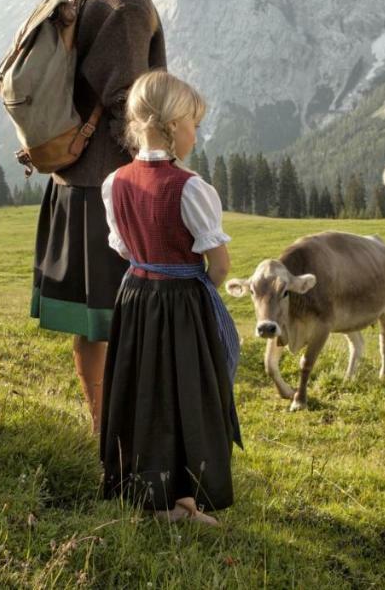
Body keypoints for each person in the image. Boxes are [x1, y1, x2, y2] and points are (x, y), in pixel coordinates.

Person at [31, 0, 200, 432]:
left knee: (98, 320)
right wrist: (161, 177)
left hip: (76, 180)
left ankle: (107, 424)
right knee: (114, 317)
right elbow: (132, 106)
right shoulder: (127, 6)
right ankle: (113, 430)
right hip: (108, 185)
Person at [99, 70, 240, 526]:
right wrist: (198, 296)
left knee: (144, 391)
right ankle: (183, 500)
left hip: (136, 297)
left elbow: (122, 246)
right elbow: (219, 265)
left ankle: (153, 494)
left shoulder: (115, 181)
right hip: (180, 302)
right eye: (195, 124)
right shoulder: (192, 188)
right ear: (176, 125)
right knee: (187, 395)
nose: (196, 134)